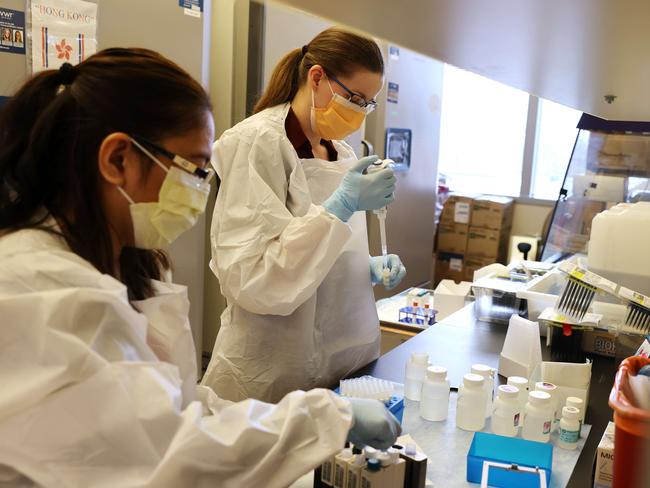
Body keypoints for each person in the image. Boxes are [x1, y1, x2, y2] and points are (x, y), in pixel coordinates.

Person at [0, 49, 400, 488]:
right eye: (193, 169)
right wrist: (324, 421)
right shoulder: (38, 289)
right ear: (118, 160)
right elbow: (168, 454)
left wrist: (313, 419)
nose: (201, 191)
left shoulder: (123, 263)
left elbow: (173, 406)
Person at [202, 27, 407, 403]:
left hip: (345, 358)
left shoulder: (343, 154)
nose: (360, 113)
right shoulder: (257, 143)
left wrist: (364, 264)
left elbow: (326, 247)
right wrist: (340, 206)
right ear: (317, 78)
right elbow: (253, 278)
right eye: (355, 98)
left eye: (368, 103)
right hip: (271, 369)